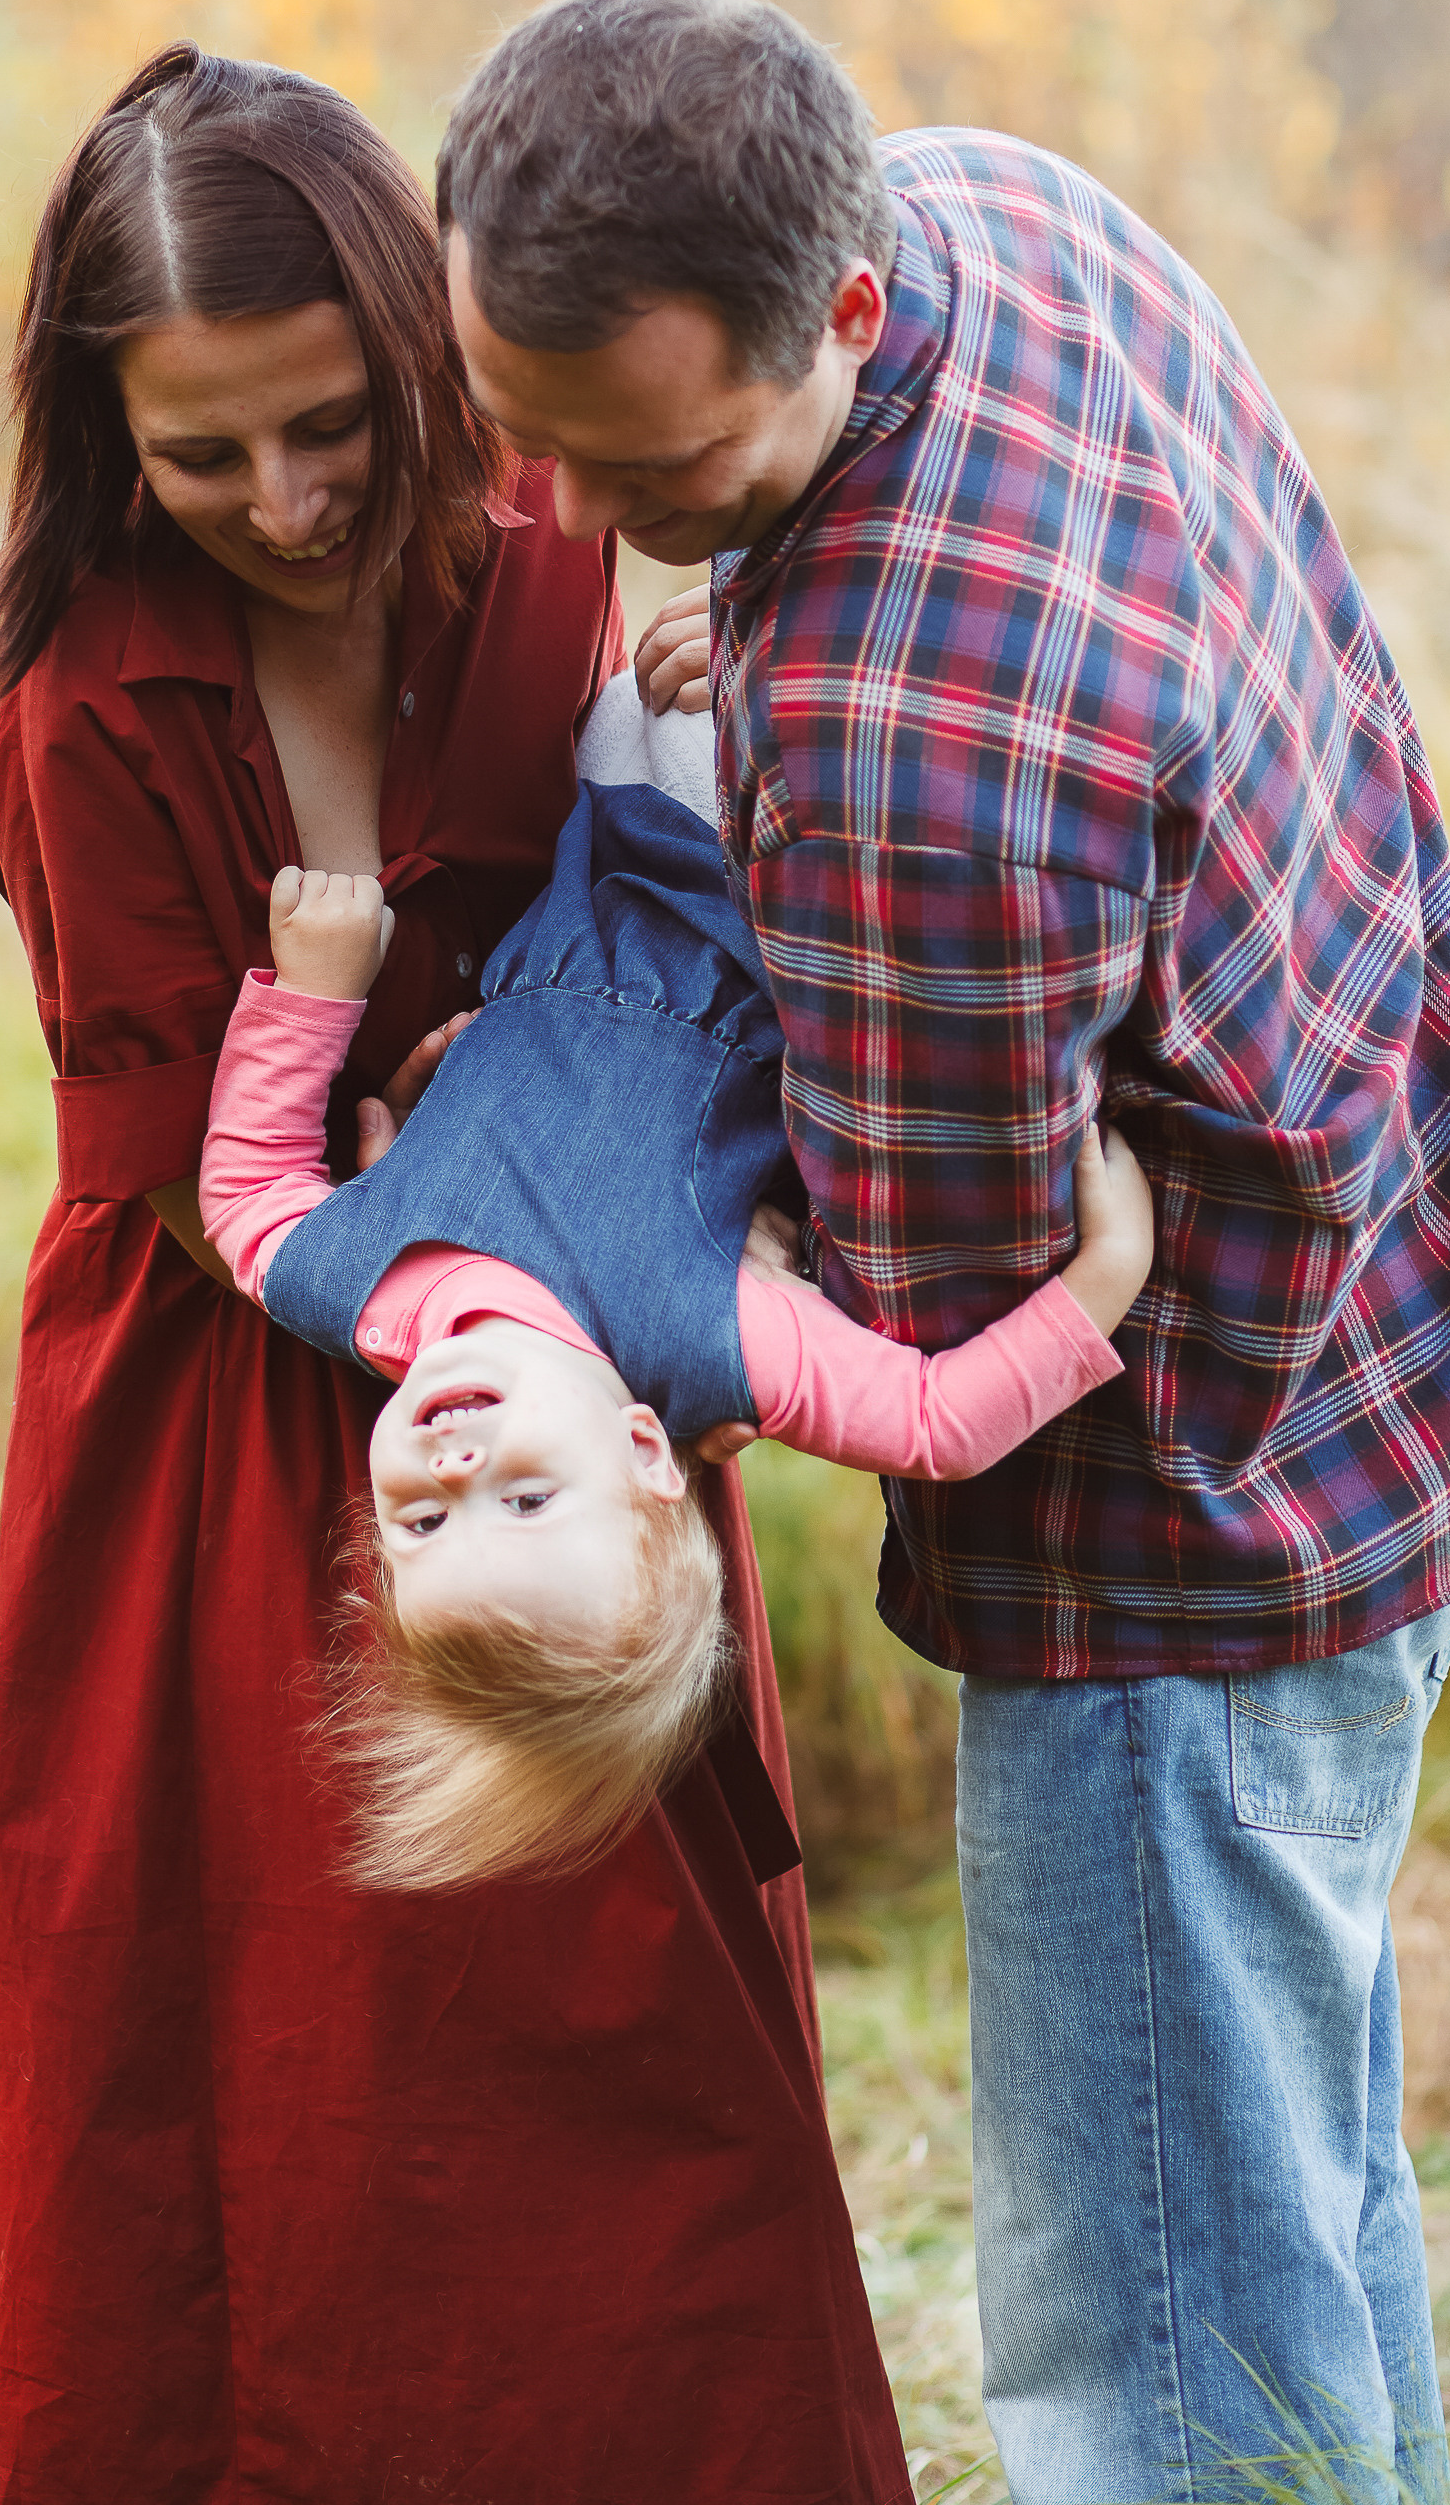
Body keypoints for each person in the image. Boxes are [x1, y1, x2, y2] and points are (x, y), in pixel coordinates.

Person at [432, 0, 1450, 2505]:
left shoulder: (910, 766)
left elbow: (925, 1302)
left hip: (1181, 1536)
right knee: (1290, 2191)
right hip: (1407, 1327)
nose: (590, 517)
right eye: (529, 441)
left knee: (1157, 2331)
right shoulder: (994, 210)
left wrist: (538, 1183)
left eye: (656, 462)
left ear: (828, 309)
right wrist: (737, 609)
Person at [0, 42, 915, 2505]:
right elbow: (181, 1181)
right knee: (265, 2084)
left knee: (629, 2055)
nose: (275, 499)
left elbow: (663, 900)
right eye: (193, 451)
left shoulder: (543, 526)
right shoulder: (82, 709)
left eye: (324, 421)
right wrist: (452, 1189)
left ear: (409, 335)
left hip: (561, 1365)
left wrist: (704, 743)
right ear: (103, 445)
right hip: (255, 1399)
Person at [196, 788, 1148, 1888]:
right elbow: (937, 1424)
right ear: (647, 1453)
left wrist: (315, 993)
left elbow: (246, 1196)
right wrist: (1106, 1275)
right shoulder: (716, 1335)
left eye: (420, 1520)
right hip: (775, 903)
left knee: (663, 673)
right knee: (761, 693)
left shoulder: (360, 1295)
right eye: (524, 1502)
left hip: (593, 839)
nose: (454, 1470)